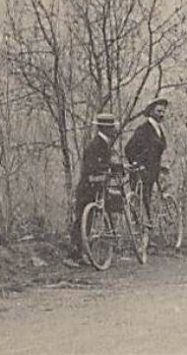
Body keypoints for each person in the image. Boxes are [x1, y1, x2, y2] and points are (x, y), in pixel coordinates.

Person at [69, 112, 119, 260]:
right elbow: (92, 166)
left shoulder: (104, 143)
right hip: (87, 186)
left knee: (88, 222)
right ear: (104, 128)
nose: (113, 130)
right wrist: (108, 168)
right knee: (82, 221)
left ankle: (84, 254)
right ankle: (73, 255)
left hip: (95, 185)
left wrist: (115, 167)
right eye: (111, 127)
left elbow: (104, 163)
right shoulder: (96, 144)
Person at [123, 97, 170, 217]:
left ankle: (148, 229)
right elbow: (129, 148)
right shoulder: (143, 129)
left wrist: (162, 165)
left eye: (163, 112)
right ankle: (140, 232)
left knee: (148, 201)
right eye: (158, 111)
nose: (161, 114)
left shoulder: (159, 129)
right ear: (151, 111)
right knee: (141, 204)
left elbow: (158, 151)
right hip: (141, 172)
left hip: (153, 171)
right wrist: (137, 163)